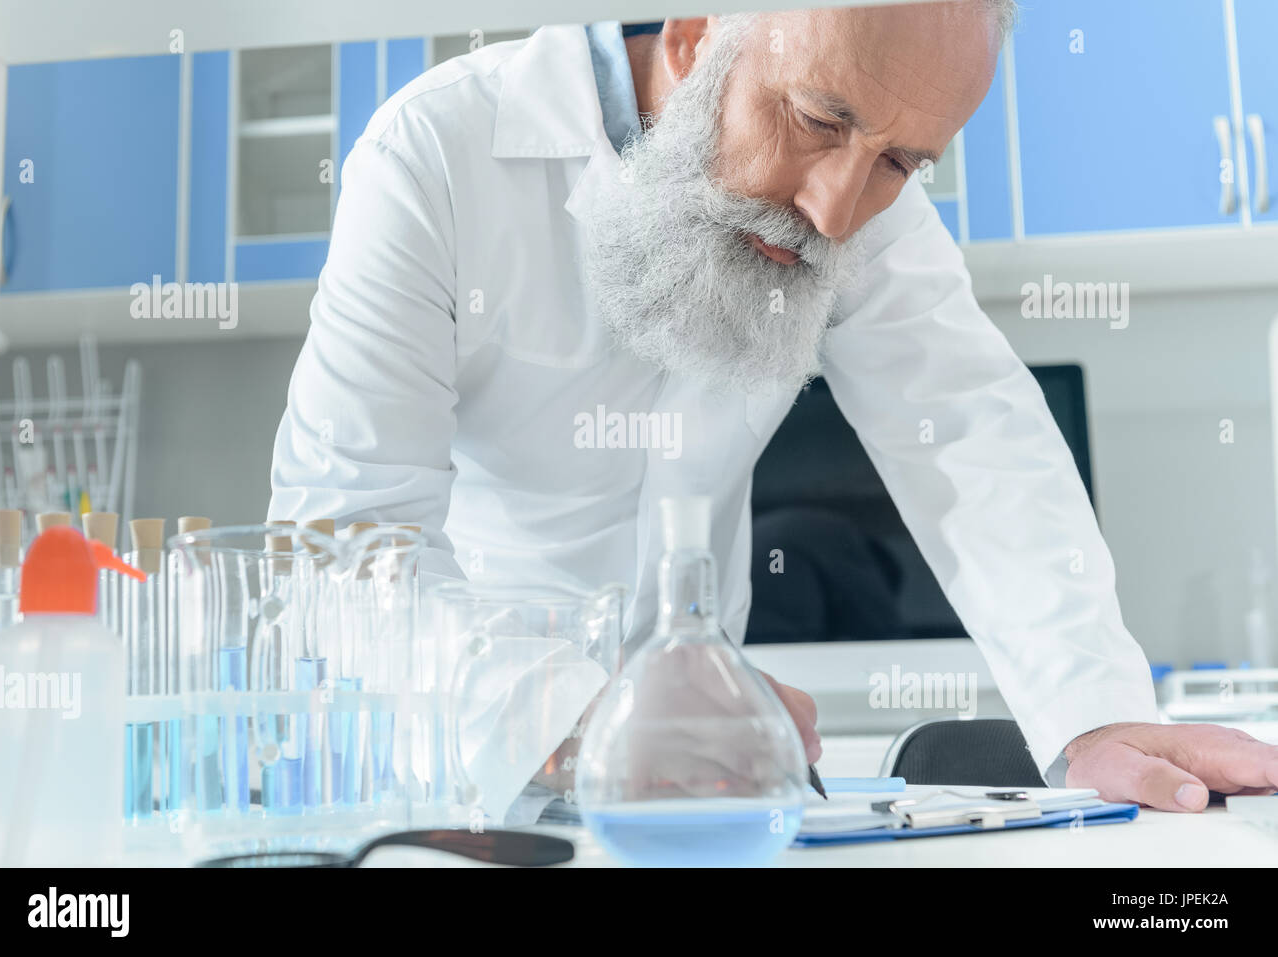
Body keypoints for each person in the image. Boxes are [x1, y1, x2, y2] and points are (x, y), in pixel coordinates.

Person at [270, 2, 1278, 810]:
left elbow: (971, 431)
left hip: (705, 798)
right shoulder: (437, 153)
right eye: (816, 120)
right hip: (452, 775)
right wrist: (579, 718)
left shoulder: (862, 198)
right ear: (693, 33)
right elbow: (342, 536)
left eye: (899, 162)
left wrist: (1089, 714)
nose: (836, 211)